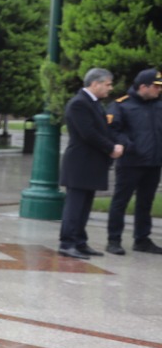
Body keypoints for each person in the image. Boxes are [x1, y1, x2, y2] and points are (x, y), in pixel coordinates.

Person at [59, 67, 123, 260]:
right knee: (75, 206)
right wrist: (111, 148)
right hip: (80, 164)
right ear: (95, 84)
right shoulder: (79, 104)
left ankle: (79, 241)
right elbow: (89, 134)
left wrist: (116, 143)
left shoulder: (93, 103)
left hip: (90, 164)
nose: (110, 88)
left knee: (84, 206)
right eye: (107, 84)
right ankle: (67, 243)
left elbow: (102, 130)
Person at [107, 67, 161, 255]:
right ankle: (114, 240)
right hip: (130, 163)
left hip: (153, 163)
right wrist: (126, 144)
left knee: (146, 202)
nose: (159, 90)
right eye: (156, 86)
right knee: (120, 201)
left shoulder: (159, 104)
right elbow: (113, 130)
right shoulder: (122, 105)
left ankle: (142, 239)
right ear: (143, 87)